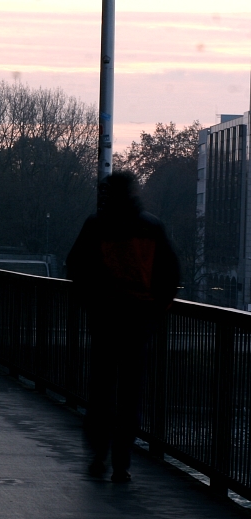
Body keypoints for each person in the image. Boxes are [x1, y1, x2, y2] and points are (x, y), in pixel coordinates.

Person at [66, 172, 180, 483]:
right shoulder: (152, 227)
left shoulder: (97, 225)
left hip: (105, 318)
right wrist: (156, 309)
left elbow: (74, 264)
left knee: (102, 388)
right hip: (139, 320)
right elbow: (170, 273)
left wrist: (92, 299)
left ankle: (98, 454)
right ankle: (122, 462)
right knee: (131, 393)